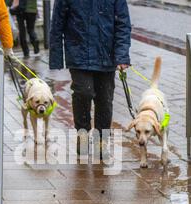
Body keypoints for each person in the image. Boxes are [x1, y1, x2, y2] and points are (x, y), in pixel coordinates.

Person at [49, 0, 131, 158]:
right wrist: (56, 57)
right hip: (78, 53)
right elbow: (57, 23)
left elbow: (123, 23)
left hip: (106, 54)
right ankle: (83, 135)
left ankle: (102, 141)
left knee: (105, 100)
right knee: (82, 92)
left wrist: (121, 56)